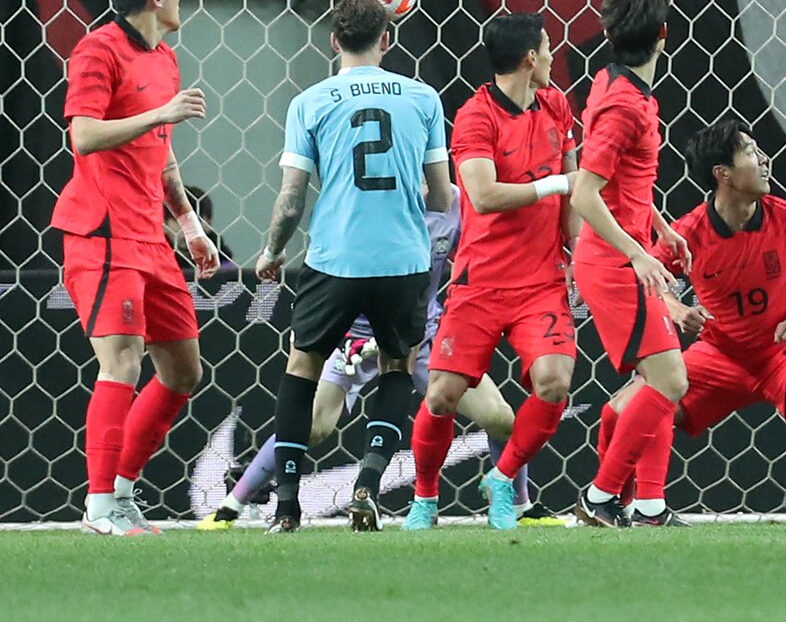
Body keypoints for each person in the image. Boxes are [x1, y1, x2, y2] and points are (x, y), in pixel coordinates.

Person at [198, 186, 558, 529]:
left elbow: (472, 260)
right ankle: (232, 505)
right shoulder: (367, 200)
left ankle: (520, 504)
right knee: (312, 425)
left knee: (499, 418)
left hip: (419, 333)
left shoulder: (453, 204)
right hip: (350, 335)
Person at [604, 122, 786, 525]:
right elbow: (650, 279)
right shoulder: (689, 232)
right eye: (750, 152)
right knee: (627, 407)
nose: (764, 160)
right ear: (722, 174)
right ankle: (631, 508)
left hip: (782, 351)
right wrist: (675, 309)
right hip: (719, 353)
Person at [255, 0, 453, 533]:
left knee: (303, 369)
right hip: (403, 260)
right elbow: (440, 198)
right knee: (396, 367)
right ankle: (367, 483)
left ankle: (288, 507)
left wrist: (272, 253)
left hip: (335, 259)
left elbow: (292, 199)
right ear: (387, 39)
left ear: (334, 41)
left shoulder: (310, 102)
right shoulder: (424, 98)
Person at [52, 0, 218, 536]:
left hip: (152, 236)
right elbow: (84, 135)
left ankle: (121, 492)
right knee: (120, 361)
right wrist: (160, 114)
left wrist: (190, 225)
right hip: (101, 233)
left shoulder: (166, 59)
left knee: (182, 371)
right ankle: (98, 506)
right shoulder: (97, 50)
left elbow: (163, 155)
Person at [406, 12, 580, 531]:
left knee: (554, 383)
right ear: (530, 58)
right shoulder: (475, 116)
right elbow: (482, 195)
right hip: (479, 281)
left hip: (542, 282)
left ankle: (503, 478)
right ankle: (425, 498)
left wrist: (577, 250)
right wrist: (554, 186)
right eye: (547, 48)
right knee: (441, 395)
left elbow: (575, 186)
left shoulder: (557, 105)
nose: (551, 57)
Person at [571, 0, 692, 528]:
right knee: (670, 381)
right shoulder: (625, 104)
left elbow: (625, 184)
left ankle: (649, 505)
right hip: (614, 261)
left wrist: (661, 229)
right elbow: (585, 192)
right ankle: (600, 497)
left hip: (626, 250)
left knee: (654, 383)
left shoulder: (612, 85)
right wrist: (637, 253)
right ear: (664, 34)